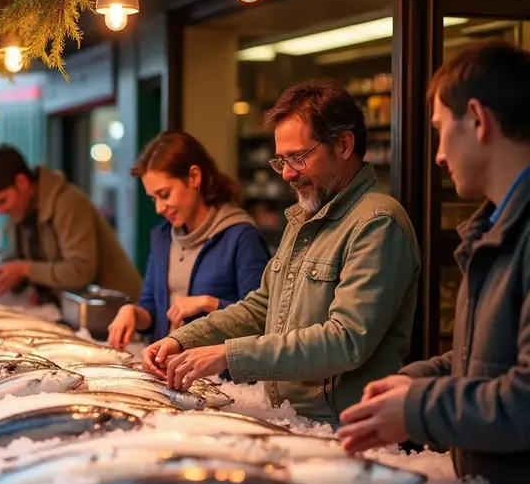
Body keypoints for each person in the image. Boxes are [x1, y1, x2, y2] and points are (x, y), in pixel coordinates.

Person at [142, 79, 421, 426]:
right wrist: (182, 340)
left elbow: (346, 340)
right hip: (291, 419)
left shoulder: (378, 223)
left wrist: (228, 355)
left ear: (345, 144)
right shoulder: (304, 217)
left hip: (344, 429)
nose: (287, 173)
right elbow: (262, 306)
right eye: (281, 160)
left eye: (298, 157)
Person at [339, 41, 530, 484]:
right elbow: (481, 363)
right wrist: (416, 380)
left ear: (479, 121)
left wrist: (418, 409)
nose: (439, 156)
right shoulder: (494, 229)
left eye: (442, 130)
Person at [107, 132, 271, 350]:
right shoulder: (162, 236)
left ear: (194, 177)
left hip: (218, 378)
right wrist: (133, 313)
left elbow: (263, 319)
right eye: (153, 198)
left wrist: (208, 303)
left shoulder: (241, 236)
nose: (158, 208)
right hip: (166, 369)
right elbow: (152, 310)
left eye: (164, 194)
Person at [0, 144, 143, 303]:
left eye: (1, 201)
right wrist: (4, 274)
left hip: (120, 314)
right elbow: (18, 261)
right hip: (80, 315)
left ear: (21, 182)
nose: (0, 211)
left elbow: (81, 270)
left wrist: (25, 269)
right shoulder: (22, 212)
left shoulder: (68, 203)